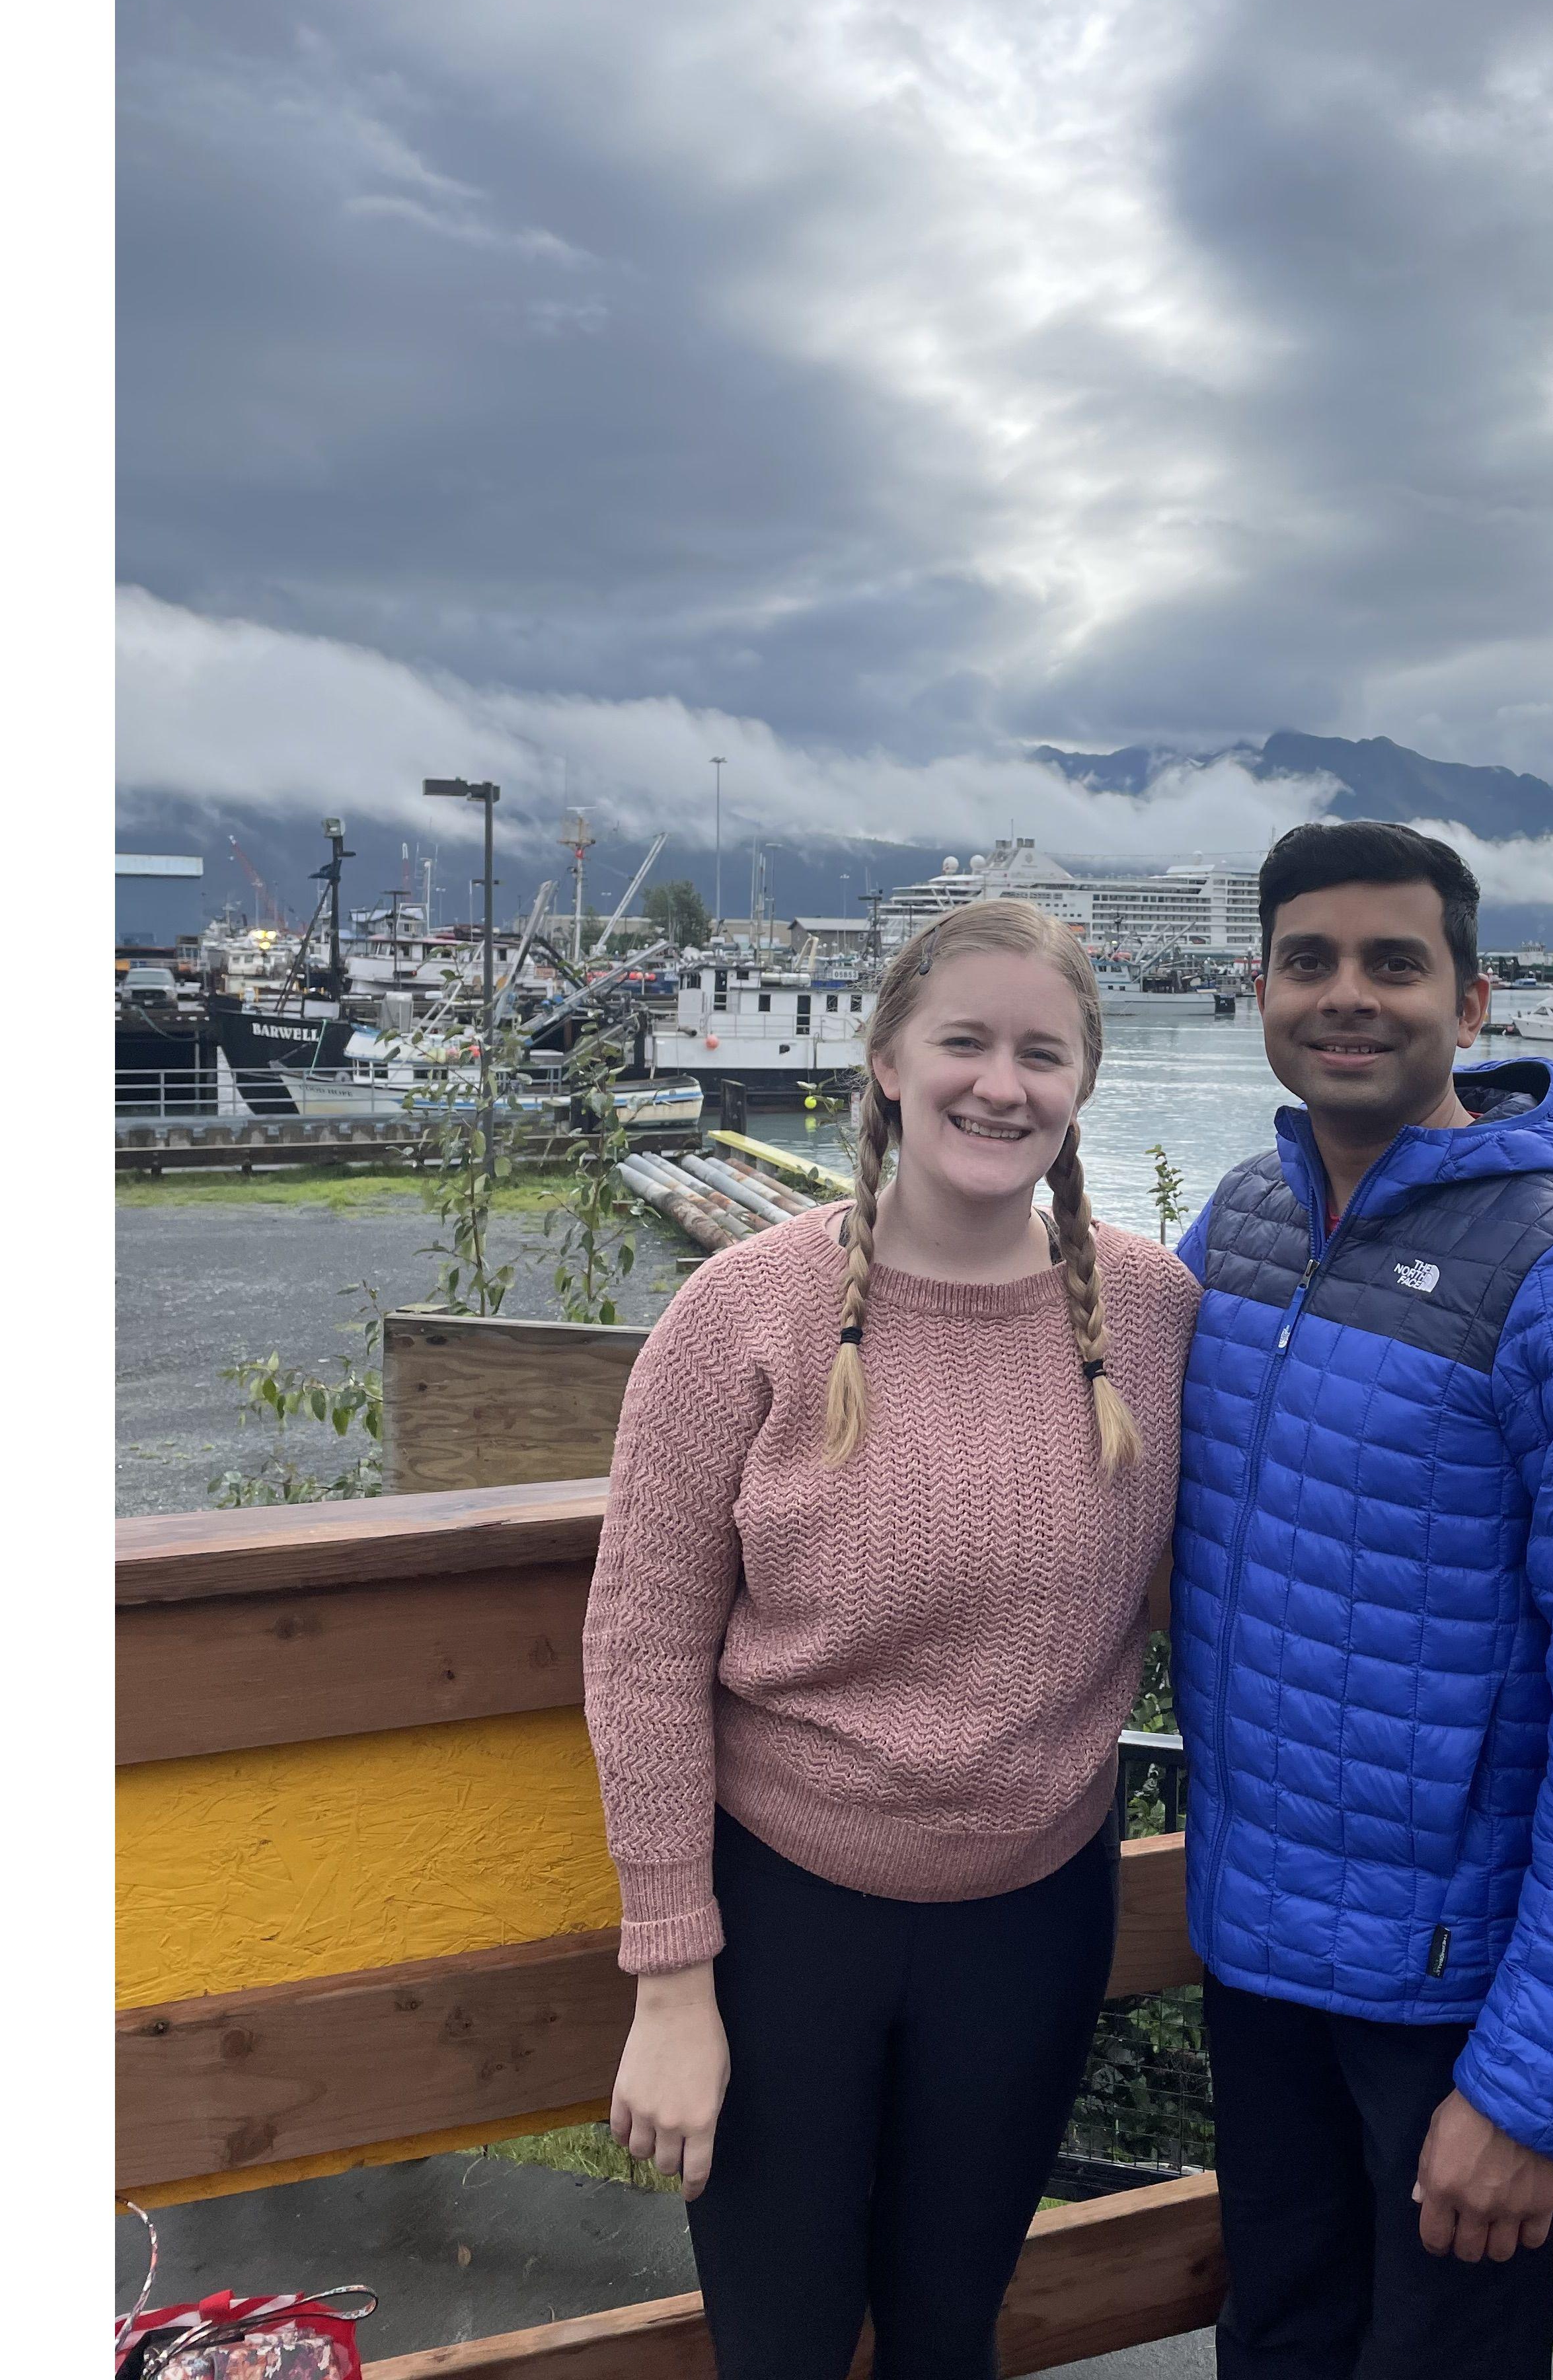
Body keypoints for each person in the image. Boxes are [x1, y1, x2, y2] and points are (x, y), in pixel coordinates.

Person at [584, 897, 1199, 2380]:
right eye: (964, 1042)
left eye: (1042, 1053)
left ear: (1084, 1083)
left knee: (951, 2334)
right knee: (782, 2348)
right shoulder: (743, 1313)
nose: (1001, 1085)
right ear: (886, 1062)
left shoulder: (1158, 1314)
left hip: (1034, 1919)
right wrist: (673, 1982)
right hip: (781, 1924)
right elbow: (643, 1652)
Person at [1172, 820, 1553, 2379]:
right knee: (1274, 2345)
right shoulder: (1245, 1222)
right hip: (1258, 1956)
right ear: (1260, 991)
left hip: (1449, 2004)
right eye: (1309, 961)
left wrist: (1530, 2092)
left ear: (1471, 1003)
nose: (1348, 995)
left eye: (1394, 964)